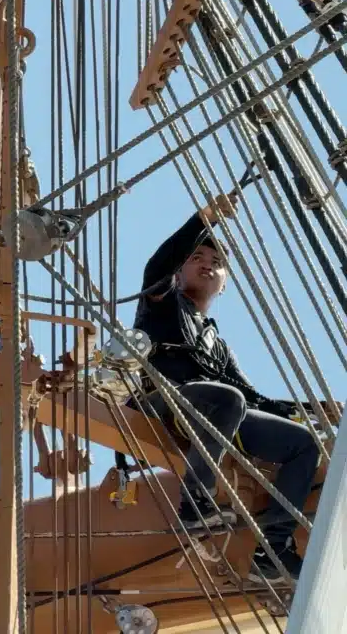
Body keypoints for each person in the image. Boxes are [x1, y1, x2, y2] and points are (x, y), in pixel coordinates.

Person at [130, 196, 324, 583]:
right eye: (197, 257)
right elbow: (157, 266)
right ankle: (195, 505)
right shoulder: (163, 303)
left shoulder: (215, 341)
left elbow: (253, 398)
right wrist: (202, 220)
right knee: (225, 397)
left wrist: (314, 409)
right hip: (165, 401)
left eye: (217, 263)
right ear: (180, 269)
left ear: (225, 284)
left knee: (304, 443)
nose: (208, 264)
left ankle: (273, 547)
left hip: (219, 409)